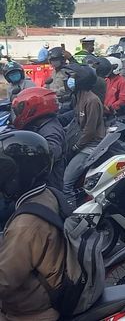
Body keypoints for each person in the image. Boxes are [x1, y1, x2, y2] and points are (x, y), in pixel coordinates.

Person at [0, 131, 67, 321]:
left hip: (31, 311)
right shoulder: (47, 194)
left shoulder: (25, 225)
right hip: (48, 283)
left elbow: (4, 280)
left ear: (18, 174)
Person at [62, 64, 106, 200]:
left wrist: (76, 147)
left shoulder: (92, 100)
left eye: (73, 77)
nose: (70, 79)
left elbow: (89, 131)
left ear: (82, 80)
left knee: (66, 183)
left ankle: (70, 214)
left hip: (90, 147)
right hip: (81, 143)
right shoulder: (78, 97)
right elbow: (75, 122)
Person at [12, 88, 66, 190]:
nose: (18, 114)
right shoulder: (38, 125)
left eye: (20, 109)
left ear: (32, 107)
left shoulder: (50, 129)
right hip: (39, 182)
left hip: (47, 187)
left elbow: (50, 154)